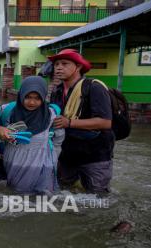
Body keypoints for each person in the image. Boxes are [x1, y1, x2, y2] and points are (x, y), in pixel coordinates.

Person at [49, 49, 114, 194]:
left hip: (95, 156)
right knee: (63, 193)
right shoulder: (57, 91)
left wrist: (69, 123)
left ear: (78, 66)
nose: (59, 67)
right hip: (67, 155)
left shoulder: (94, 87)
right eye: (56, 64)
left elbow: (105, 122)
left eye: (64, 63)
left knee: (98, 197)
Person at [0, 76, 64, 194]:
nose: (32, 102)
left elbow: (58, 138)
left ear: (43, 97)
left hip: (43, 162)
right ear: (21, 94)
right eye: (28, 97)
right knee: (18, 195)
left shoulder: (51, 114)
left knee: (44, 196)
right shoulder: (6, 111)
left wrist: (54, 157)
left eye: (37, 98)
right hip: (15, 162)